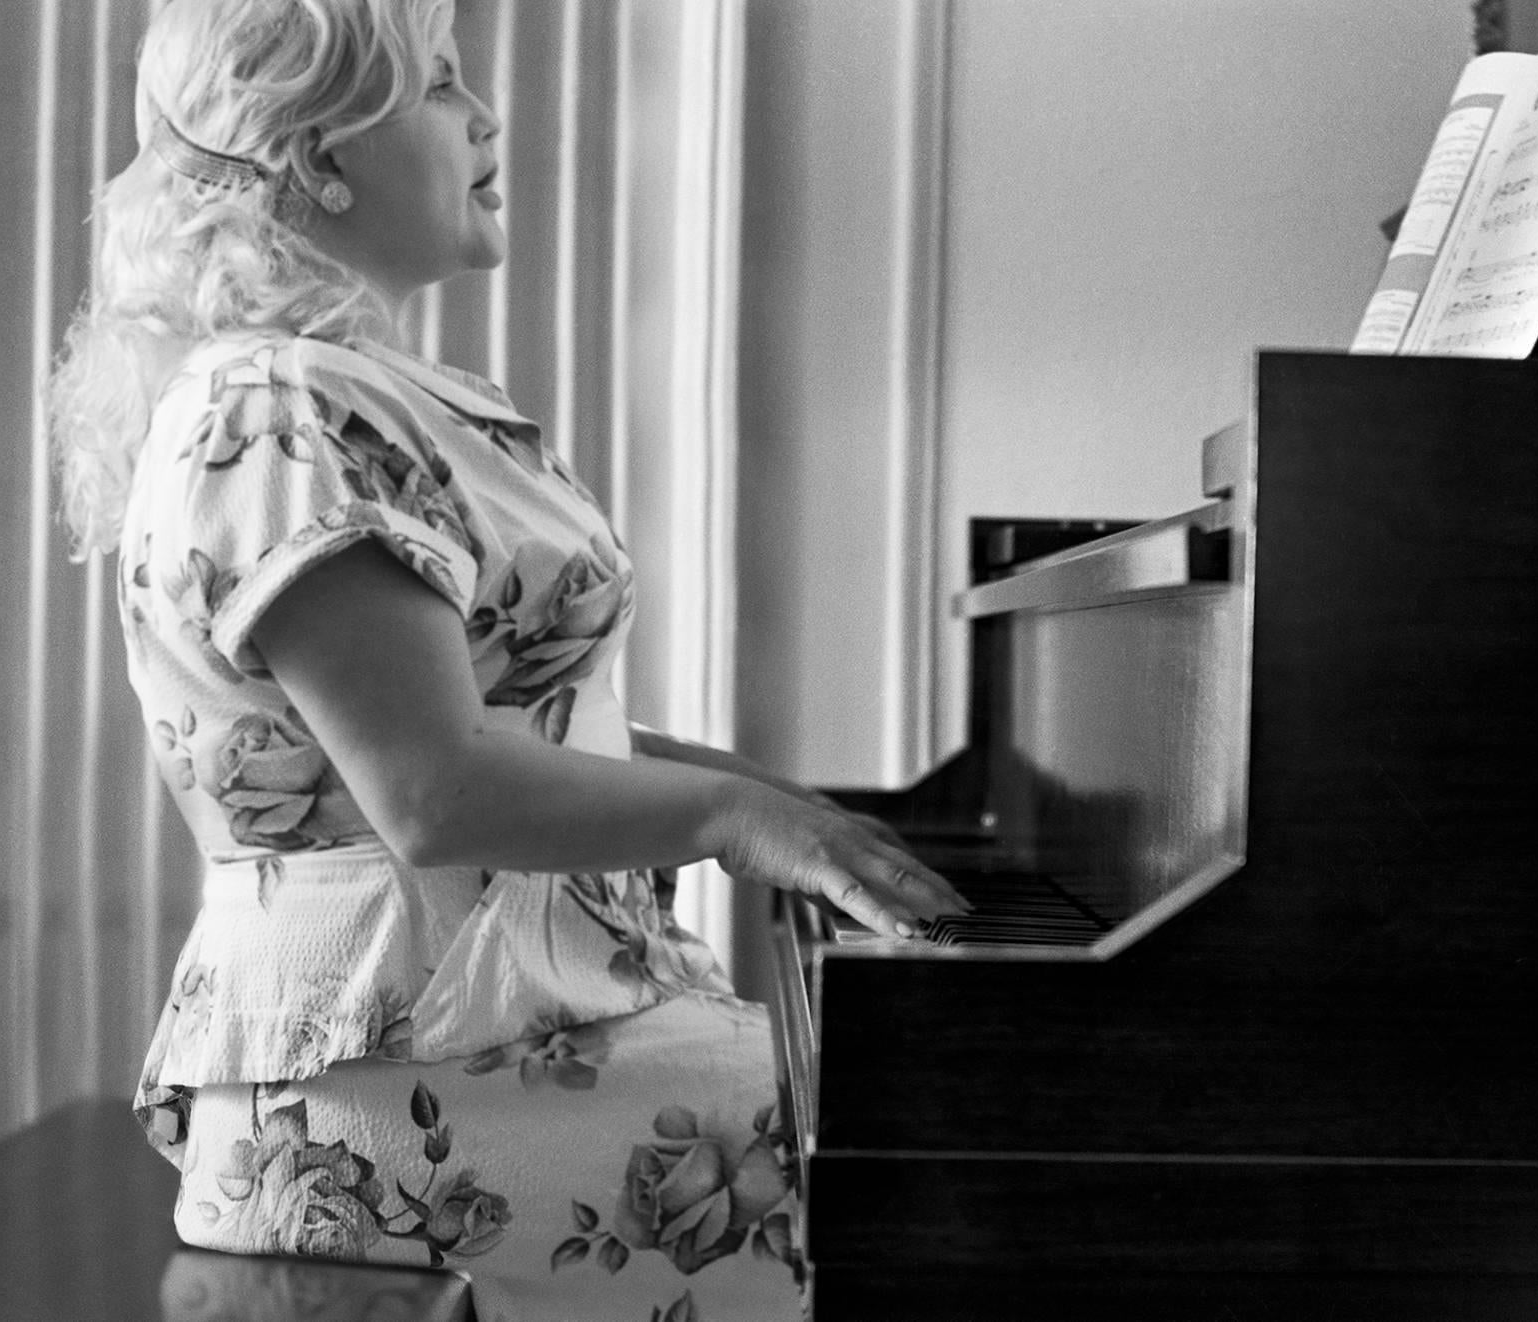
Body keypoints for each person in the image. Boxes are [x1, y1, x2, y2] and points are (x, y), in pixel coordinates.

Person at [47, 1, 966, 1316]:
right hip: (391, 1077)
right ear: (318, 160)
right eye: (439, 87)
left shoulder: (335, 388)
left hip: (472, 1034)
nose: (488, 120)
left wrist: (787, 807)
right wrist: (733, 811)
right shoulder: (274, 405)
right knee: (922, 1202)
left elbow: (515, 732)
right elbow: (433, 792)